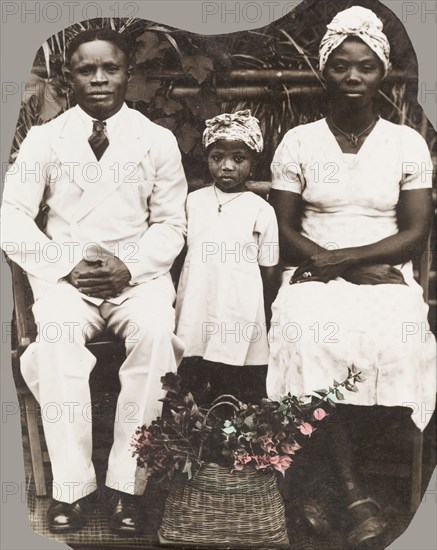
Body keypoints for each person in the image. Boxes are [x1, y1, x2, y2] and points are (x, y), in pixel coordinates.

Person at [0, 28, 187, 535]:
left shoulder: (157, 139)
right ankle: (73, 490)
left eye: (111, 69)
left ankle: (128, 488)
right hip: (67, 277)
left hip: (137, 275)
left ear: (128, 74)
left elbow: (172, 223)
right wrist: (63, 264)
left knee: (154, 336)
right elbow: (11, 217)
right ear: (70, 77)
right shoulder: (45, 139)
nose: (100, 80)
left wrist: (132, 266)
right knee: (56, 341)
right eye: (88, 70)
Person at [266, 6, 435, 548]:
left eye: (366, 67)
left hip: (386, 271)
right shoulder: (298, 141)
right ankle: (352, 490)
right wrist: (334, 263)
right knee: (306, 331)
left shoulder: (406, 143)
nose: (354, 77)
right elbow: (284, 227)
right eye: (341, 66)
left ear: (383, 72)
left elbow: (414, 231)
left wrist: (356, 261)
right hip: (312, 267)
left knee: (398, 338)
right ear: (324, 72)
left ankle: (323, 485)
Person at [175, 110, 279, 404]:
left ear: (253, 162)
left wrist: (262, 308)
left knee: (233, 377)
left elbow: (269, 267)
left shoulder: (260, 209)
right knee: (192, 366)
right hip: (197, 296)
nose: (227, 166)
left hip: (240, 304)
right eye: (217, 157)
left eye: (238, 158)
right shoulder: (193, 202)